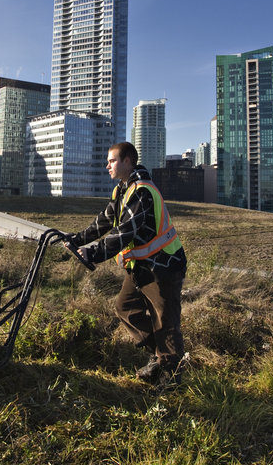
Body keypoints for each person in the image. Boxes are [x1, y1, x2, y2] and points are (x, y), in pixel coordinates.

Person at [65, 142, 187, 388]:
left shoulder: (141, 191)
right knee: (125, 308)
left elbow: (125, 232)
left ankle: (171, 381)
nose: (107, 165)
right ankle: (162, 357)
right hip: (142, 266)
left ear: (128, 162)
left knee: (165, 322)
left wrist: (94, 253)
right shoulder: (123, 190)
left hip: (164, 266)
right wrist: (76, 239)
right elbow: (105, 221)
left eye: (112, 161)